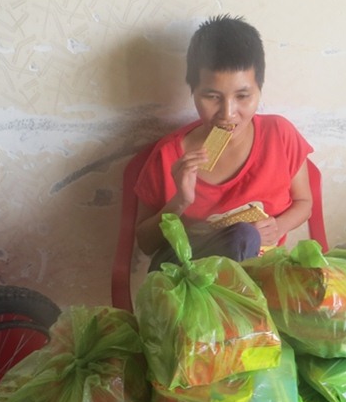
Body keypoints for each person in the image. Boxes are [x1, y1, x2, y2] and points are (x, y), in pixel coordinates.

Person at [134, 14, 314, 271]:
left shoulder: (280, 135)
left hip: (260, 274)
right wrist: (180, 200)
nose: (228, 114)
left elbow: (304, 203)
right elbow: (145, 244)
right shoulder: (168, 157)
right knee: (243, 236)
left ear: (259, 91)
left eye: (243, 96)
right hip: (189, 279)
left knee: (247, 238)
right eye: (212, 97)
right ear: (193, 92)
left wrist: (279, 227)